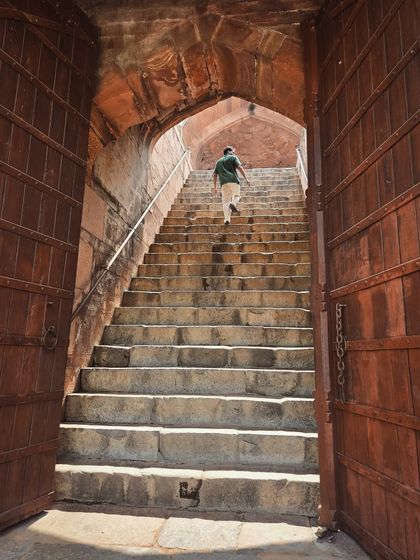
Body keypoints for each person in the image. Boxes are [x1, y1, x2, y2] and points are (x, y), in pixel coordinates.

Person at [213, 146, 250, 225]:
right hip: (233, 180)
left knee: (225, 202)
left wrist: (215, 187)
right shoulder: (233, 157)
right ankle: (233, 203)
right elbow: (239, 167)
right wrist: (246, 178)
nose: (233, 153)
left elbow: (215, 174)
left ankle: (227, 219)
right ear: (229, 151)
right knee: (237, 196)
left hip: (223, 183)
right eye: (232, 151)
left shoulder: (218, 161)